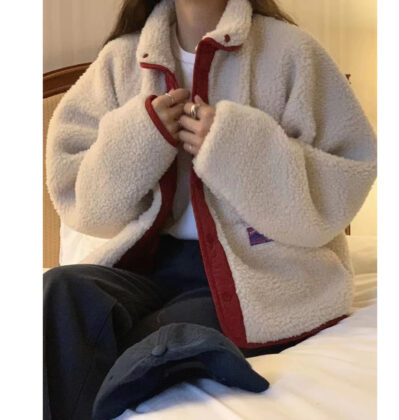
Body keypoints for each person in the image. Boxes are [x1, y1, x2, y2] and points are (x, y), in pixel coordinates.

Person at [44, 0, 377, 419]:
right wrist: (141, 136)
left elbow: (344, 181)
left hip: (256, 268)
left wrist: (232, 145)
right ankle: (168, 362)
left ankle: (153, 363)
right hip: (149, 267)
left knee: (167, 331)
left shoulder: (293, 53)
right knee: (60, 291)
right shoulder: (119, 62)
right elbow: (81, 201)